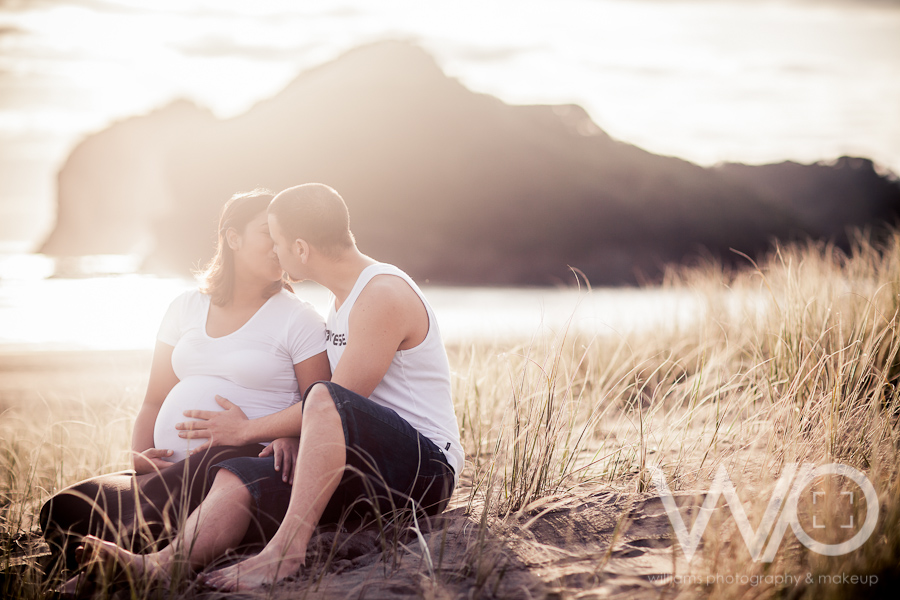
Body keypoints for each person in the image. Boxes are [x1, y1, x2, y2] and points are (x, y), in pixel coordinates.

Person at [78, 183, 463, 590]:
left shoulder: (382, 295)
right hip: (365, 462)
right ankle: (160, 566)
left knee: (326, 395)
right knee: (240, 474)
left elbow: (338, 403)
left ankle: (285, 554)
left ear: (300, 248)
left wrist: (246, 430)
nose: (275, 252)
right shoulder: (342, 301)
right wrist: (284, 438)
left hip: (425, 469)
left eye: (277, 241)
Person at [41, 189, 331, 585]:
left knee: (199, 478)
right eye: (268, 233)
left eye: (284, 235)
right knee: (63, 508)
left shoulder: (299, 319)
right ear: (233, 238)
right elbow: (153, 400)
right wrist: (140, 456)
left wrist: (287, 436)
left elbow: (321, 406)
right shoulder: (184, 307)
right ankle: (125, 553)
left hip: (237, 462)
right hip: (170, 473)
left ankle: (138, 563)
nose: (279, 245)